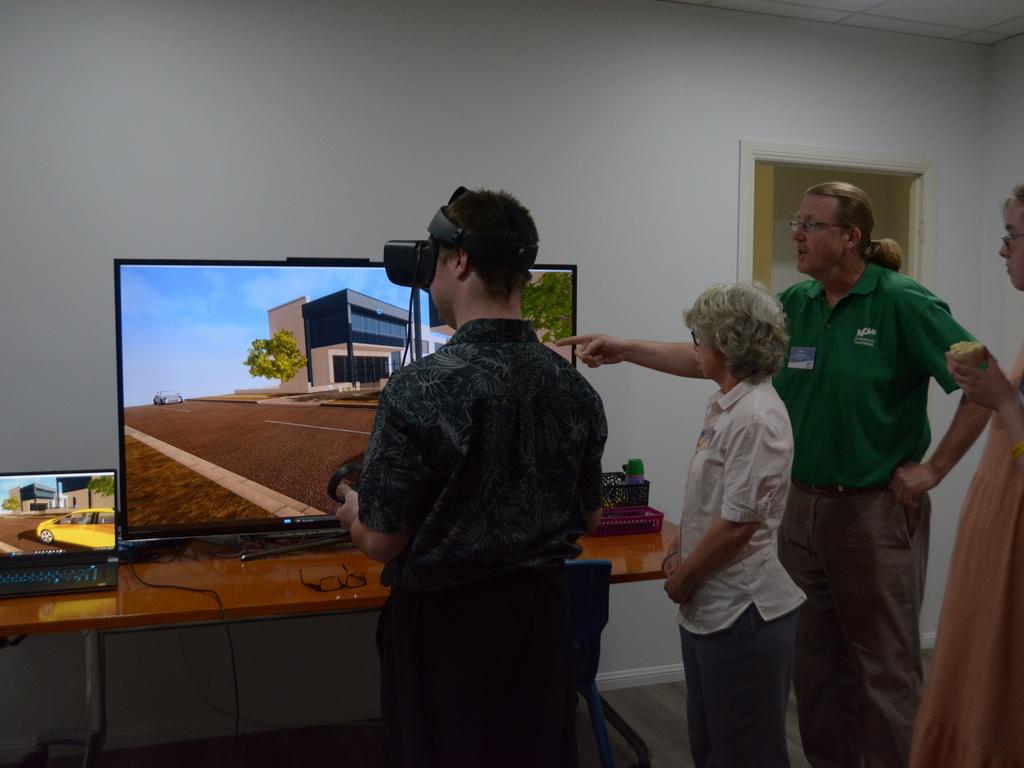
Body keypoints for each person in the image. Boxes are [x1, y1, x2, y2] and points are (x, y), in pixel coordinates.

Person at [559, 181, 989, 768]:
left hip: (872, 510)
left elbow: (983, 381)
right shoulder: (800, 303)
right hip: (798, 508)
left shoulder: (905, 303)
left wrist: (934, 469)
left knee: (882, 667)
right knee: (813, 667)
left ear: (850, 237)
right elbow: (714, 354)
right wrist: (625, 347)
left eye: (811, 225)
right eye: (796, 222)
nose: (797, 234)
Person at [335, 186, 607, 768]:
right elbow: (591, 516)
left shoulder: (418, 388)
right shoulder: (576, 388)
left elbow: (383, 541)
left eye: (434, 259)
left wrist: (353, 512)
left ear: (458, 260)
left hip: (445, 636)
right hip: (542, 627)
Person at [663, 282, 805, 767]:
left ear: (723, 345)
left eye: (698, 338)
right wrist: (680, 547)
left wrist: (683, 576)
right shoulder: (725, 405)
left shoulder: (757, 418)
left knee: (747, 752)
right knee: (713, 748)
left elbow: (738, 525)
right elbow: (709, 500)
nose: (694, 349)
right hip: (710, 600)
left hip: (743, 610)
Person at [909, 184, 1024, 767]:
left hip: (1014, 548)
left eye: (1013, 236)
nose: (1003, 251)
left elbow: (1016, 422)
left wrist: (1003, 399)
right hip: (998, 534)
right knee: (975, 679)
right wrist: (996, 386)